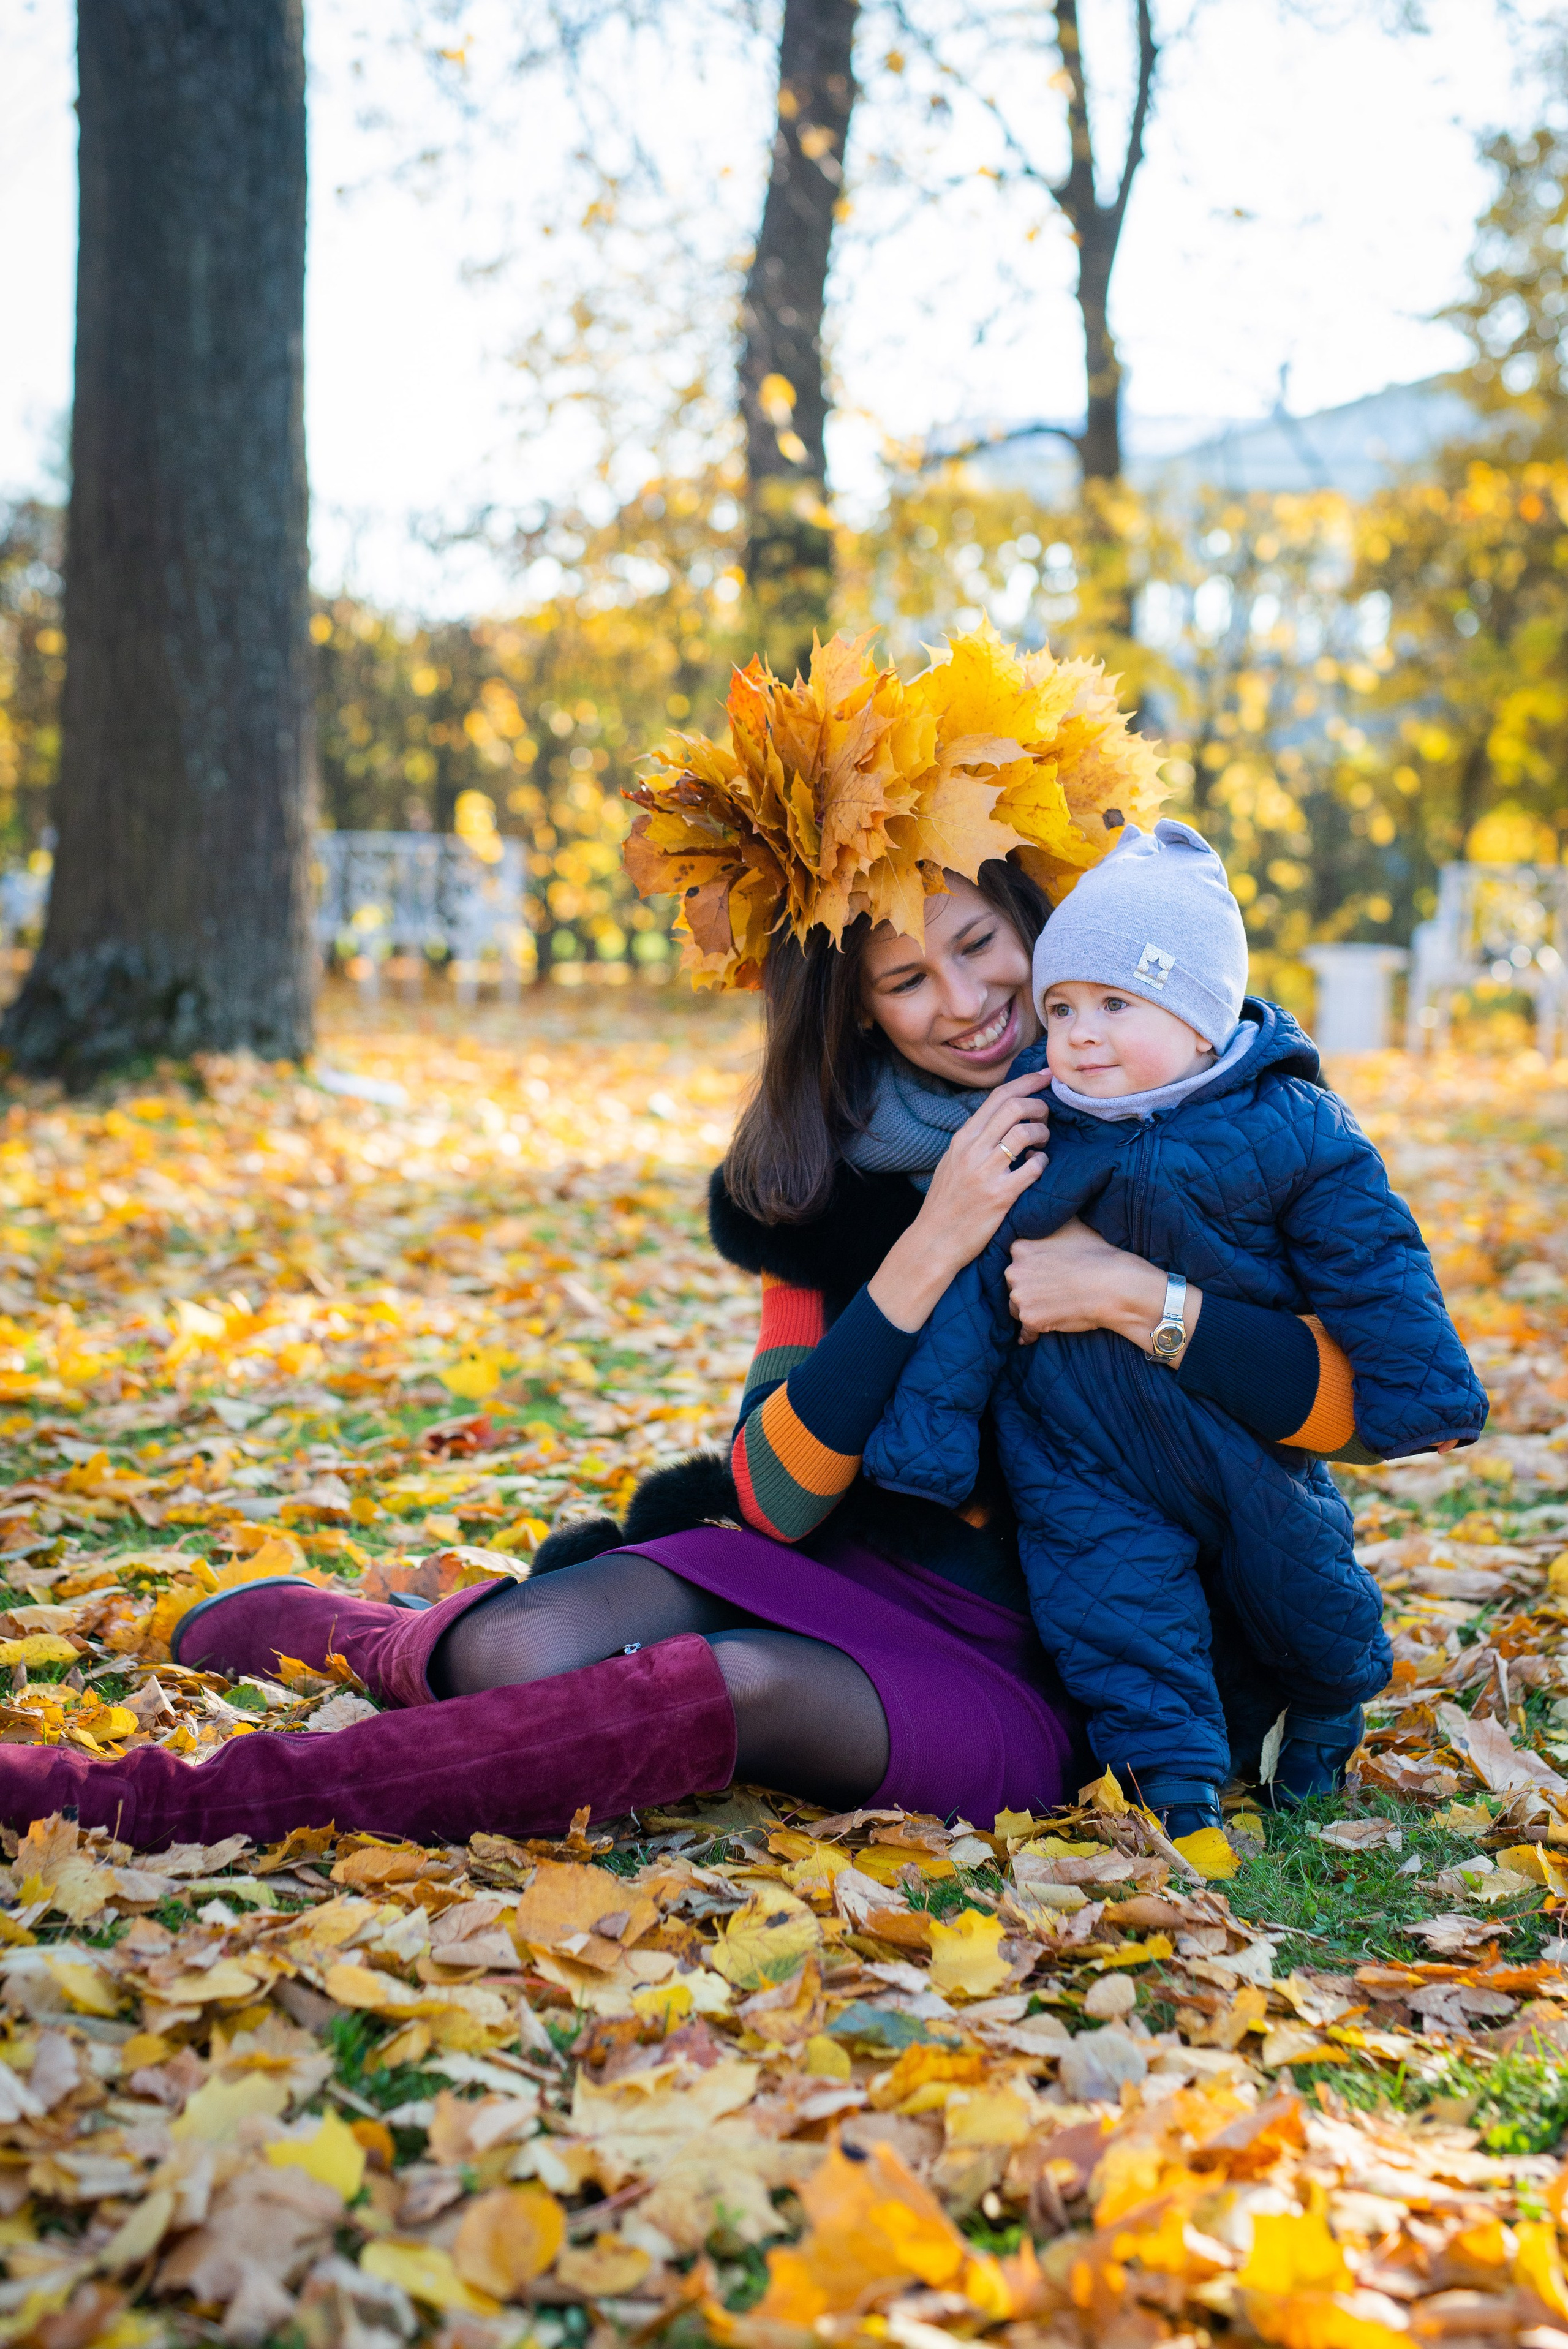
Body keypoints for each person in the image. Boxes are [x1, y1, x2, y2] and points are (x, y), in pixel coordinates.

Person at [0, 632, 1379, 1847]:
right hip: (841, 1558)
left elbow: (1352, 1401)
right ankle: (377, 1632)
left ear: (1037, 922)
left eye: (979, 945)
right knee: (518, 1650)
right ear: (858, 1011)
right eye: (905, 978)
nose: (963, 1002)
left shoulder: (1209, 1117)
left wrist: (1143, 1298)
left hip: (1066, 1663)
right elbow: (774, 1494)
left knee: (733, 1689)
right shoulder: (826, 1178)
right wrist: (928, 1245)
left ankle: (148, 1802)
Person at [865, 820, 1487, 1836]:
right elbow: (982, 1290)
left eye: (1116, 1003)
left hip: (1236, 1436)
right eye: (1062, 1008)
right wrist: (925, 1444)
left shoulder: (1289, 1126)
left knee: (1308, 1591)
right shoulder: (1040, 1129)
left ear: (1200, 1020)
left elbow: (1374, 1260)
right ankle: (1174, 1784)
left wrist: (1423, 1392)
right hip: (1078, 1450)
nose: (1080, 1033)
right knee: (1114, 1616)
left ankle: (1327, 1715)